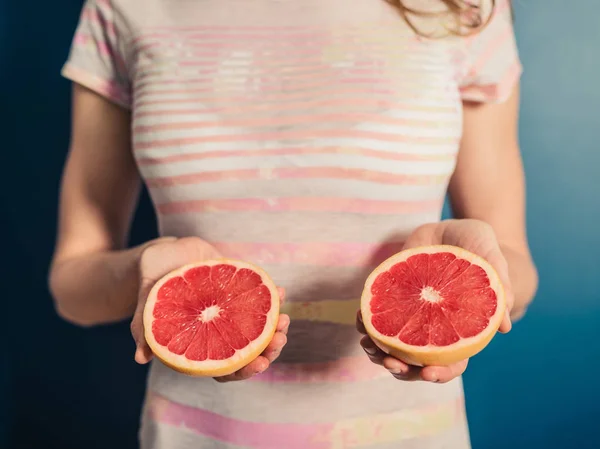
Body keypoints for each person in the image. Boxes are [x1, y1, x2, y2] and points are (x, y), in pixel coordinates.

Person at [49, 0, 538, 447]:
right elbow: (73, 287)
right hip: (193, 434)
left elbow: (517, 268)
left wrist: (479, 278)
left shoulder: (467, 8)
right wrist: (147, 273)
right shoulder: (124, 9)